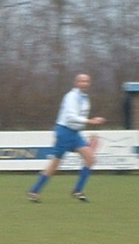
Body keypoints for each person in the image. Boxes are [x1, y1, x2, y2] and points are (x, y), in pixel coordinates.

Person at [27, 72, 106, 203]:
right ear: (76, 83)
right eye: (82, 81)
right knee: (54, 165)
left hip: (75, 134)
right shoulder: (71, 97)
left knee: (90, 159)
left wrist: (90, 121)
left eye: (87, 81)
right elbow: (70, 117)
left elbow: (79, 118)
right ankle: (34, 191)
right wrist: (90, 121)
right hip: (64, 132)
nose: (85, 83)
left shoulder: (85, 98)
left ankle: (77, 190)